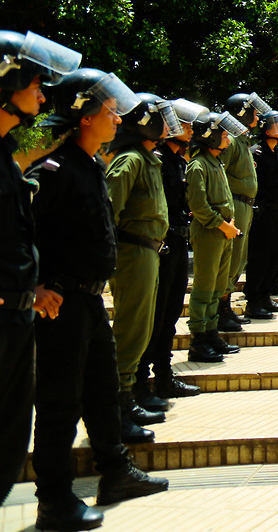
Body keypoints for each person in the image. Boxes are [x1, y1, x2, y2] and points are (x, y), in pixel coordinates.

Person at [30, 68, 168, 528]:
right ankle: (54, 499)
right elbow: (19, 232)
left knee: (103, 390)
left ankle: (116, 471)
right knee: (59, 403)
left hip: (88, 300)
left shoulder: (92, 164)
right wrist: (36, 284)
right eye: (109, 109)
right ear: (85, 116)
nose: (117, 117)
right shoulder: (54, 170)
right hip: (59, 302)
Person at [0, 30, 77, 507]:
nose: (43, 96)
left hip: (14, 313)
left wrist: (30, 290)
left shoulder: (6, 157)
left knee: (9, 439)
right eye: (34, 84)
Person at [104, 94, 177, 440]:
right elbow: (108, 212)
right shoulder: (129, 160)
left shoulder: (148, 160)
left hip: (148, 253)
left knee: (142, 328)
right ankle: (117, 404)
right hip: (131, 254)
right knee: (131, 330)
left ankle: (128, 395)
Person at [135, 97, 203, 407]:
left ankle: (163, 376)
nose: (188, 130)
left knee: (171, 311)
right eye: (183, 124)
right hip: (158, 246)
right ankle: (139, 384)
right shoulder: (157, 158)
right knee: (154, 314)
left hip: (176, 242)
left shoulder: (177, 161)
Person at [186, 112, 245, 363]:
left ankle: (211, 333)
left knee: (217, 287)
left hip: (223, 232)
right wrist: (222, 225)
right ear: (208, 138)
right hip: (211, 232)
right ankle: (199, 338)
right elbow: (199, 205)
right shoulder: (198, 165)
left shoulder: (216, 163)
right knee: (205, 286)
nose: (227, 140)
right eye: (222, 135)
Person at [219, 93, 264, 333]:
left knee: (239, 259)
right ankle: (221, 309)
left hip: (245, 205)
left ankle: (225, 307)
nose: (257, 116)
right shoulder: (232, 142)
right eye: (253, 112)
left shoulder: (242, 142)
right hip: (235, 205)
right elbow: (220, 174)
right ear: (241, 113)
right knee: (231, 258)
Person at [244, 111, 278, 320]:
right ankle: (253, 300)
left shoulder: (277, 152)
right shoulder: (257, 153)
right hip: (263, 211)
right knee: (259, 257)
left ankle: (265, 296)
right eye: (276, 125)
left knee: (272, 255)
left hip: (277, 211)